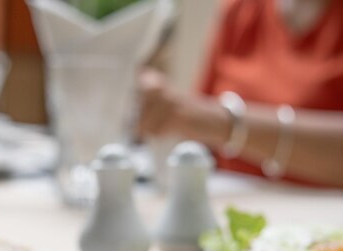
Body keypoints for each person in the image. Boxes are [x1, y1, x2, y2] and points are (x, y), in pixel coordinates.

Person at [139, 0, 343, 188]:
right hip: (233, 205)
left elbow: (201, 115)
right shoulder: (241, 9)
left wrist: (225, 123)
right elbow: (198, 127)